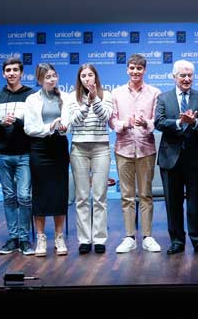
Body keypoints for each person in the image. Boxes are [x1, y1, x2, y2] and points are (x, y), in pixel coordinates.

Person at [154, 60, 198, 255]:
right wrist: (179, 122)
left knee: (195, 202)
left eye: (190, 75)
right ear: (174, 77)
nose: (187, 79)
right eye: (183, 75)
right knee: (173, 203)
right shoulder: (163, 98)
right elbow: (159, 122)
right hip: (170, 159)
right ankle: (177, 241)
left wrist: (194, 121)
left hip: (195, 159)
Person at [0, 57, 36, 256]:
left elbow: (34, 124)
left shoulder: (31, 95)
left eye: (15, 70)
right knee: (9, 196)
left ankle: (24, 239)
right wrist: (1, 122)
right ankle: (13, 238)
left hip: (24, 154)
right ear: (3, 74)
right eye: (8, 70)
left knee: (24, 196)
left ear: (21, 73)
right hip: (2, 154)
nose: (12, 73)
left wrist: (19, 122)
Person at [110, 53, 162, 254]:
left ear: (145, 70)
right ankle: (129, 237)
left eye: (139, 68)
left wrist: (145, 124)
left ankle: (148, 237)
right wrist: (126, 124)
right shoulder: (116, 93)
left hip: (146, 149)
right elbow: (113, 120)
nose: (135, 72)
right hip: (123, 149)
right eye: (132, 68)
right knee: (127, 196)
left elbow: (156, 120)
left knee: (146, 195)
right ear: (127, 70)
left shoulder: (154, 93)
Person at [66, 63, 113, 255]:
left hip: (101, 147)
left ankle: (100, 239)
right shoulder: (72, 97)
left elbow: (106, 117)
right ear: (80, 79)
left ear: (96, 77)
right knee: (82, 196)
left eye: (90, 75)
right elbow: (73, 122)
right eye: (83, 76)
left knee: (100, 195)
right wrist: (86, 103)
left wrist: (95, 100)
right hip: (79, 148)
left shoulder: (106, 95)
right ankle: (85, 239)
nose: (87, 79)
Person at [24, 63, 70, 257]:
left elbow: (69, 121)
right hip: (40, 148)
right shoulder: (32, 99)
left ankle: (59, 237)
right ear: (40, 80)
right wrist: (49, 128)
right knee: (41, 192)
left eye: (53, 75)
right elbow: (29, 128)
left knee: (60, 192)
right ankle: (41, 238)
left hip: (59, 147)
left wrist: (63, 127)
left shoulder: (65, 97)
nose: (51, 79)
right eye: (47, 77)